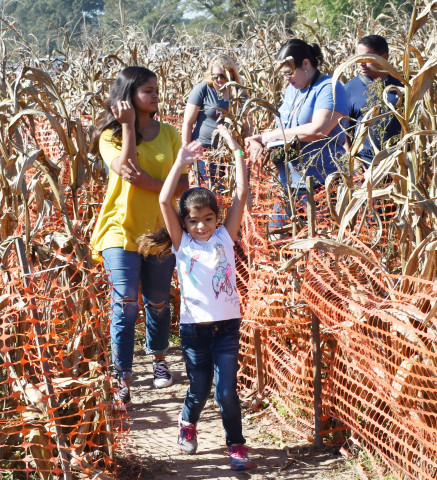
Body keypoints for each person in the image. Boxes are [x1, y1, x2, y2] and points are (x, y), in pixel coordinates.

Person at [137, 124, 251, 471]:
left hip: (227, 327)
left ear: (217, 218)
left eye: (208, 219)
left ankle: (236, 443)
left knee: (226, 391)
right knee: (199, 388)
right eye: (194, 221)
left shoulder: (225, 237)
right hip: (194, 330)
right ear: (184, 224)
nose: (202, 226)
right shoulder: (182, 243)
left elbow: (242, 192)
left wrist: (235, 148)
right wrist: (180, 162)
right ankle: (188, 423)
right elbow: (163, 200)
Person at [90, 66, 189, 408]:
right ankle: (122, 379)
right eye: (148, 90)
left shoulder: (170, 134)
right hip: (119, 230)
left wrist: (153, 185)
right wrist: (129, 126)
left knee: (159, 301)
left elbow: (183, 184)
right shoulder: (110, 136)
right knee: (125, 304)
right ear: (129, 95)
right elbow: (127, 169)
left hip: (160, 231)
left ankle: (159, 358)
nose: (155, 96)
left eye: (157, 89)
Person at [245, 38, 349, 196]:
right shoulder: (292, 89)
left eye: (289, 72)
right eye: (283, 74)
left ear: (306, 64)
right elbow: (288, 129)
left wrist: (271, 136)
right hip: (289, 182)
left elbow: (318, 130)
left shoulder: (329, 87)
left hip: (321, 183)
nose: (286, 78)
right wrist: (262, 142)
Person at [181, 54, 248, 183]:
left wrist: (246, 145)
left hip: (232, 150)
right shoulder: (203, 89)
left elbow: (247, 124)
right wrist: (186, 150)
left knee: (232, 187)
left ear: (231, 73)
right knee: (211, 188)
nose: (218, 79)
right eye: (215, 76)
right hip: (205, 150)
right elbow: (188, 123)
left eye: (222, 76)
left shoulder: (240, 92)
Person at [344, 34, 402, 169]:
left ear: (384, 57)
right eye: (358, 58)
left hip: (402, 162)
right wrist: (352, 159)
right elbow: (341, 131)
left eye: (367, 58)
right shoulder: (349, 89)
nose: (361, 63)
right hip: (367, 165)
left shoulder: (404, 85)